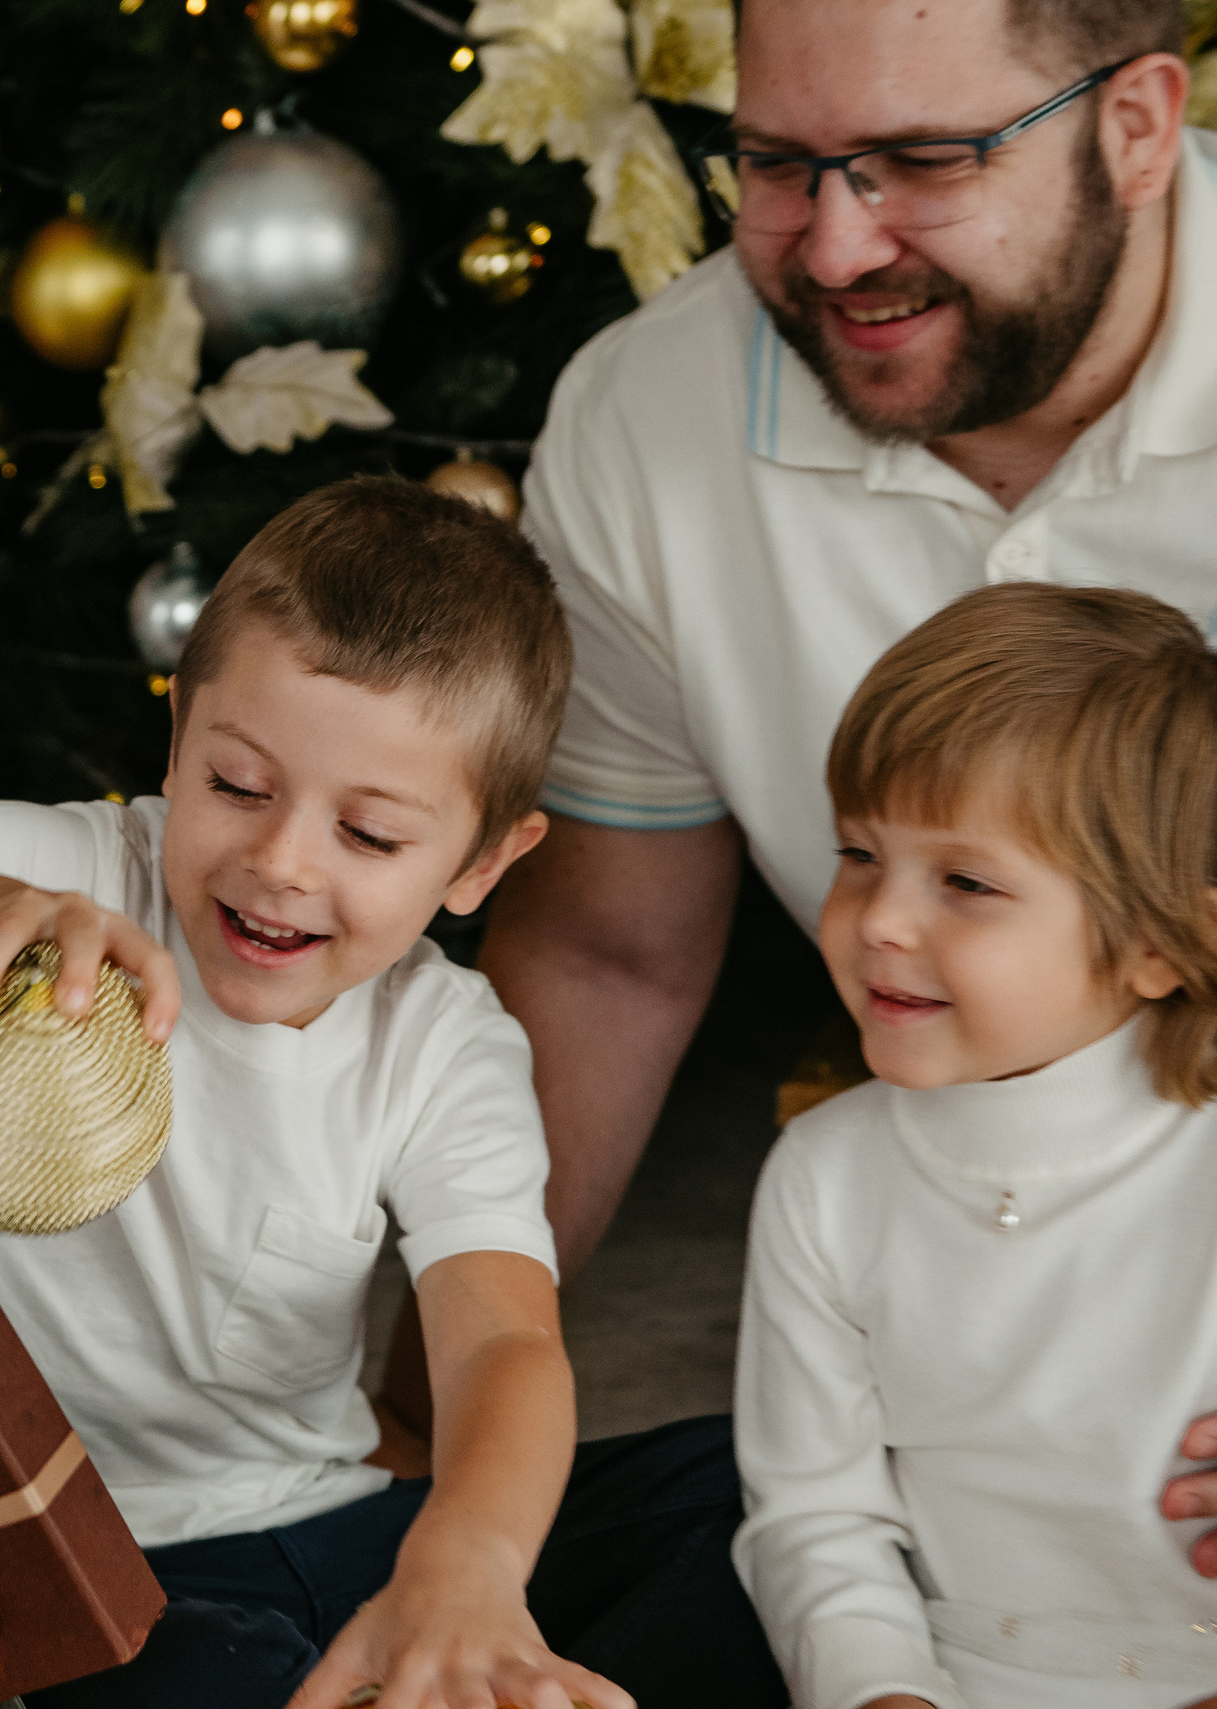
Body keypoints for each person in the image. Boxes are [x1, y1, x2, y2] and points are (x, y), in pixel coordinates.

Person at [0, 478, 785, 1709]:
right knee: (228, 1678)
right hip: (94, 1566)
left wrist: (467, 1559)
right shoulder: (56, 878)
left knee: (743, 1500)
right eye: (236, 784)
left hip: (337, 1518)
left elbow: (500, 1336)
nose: (281, 861)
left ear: (483, 863)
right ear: (174, 743)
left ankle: (439, 1653)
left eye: (370, 836)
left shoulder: (444, 1042)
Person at [439, 0, 1217, 1532]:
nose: (838, 248)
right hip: (971, 1252)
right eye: (779, 166)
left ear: (1134, 126)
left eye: (925, 161)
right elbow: (606, 953)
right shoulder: (645, 417)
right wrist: (427, 1415)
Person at [734, 581, 1217, 1709]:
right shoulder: (825, 1176)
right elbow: (815, 1515)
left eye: (964, 880)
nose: (881, 919)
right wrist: (879, 1689)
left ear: (1158, 942)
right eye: (858, 853)